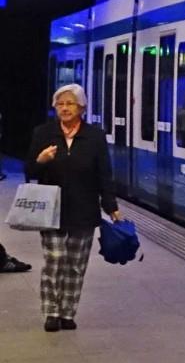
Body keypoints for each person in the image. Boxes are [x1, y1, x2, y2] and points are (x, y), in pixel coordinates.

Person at [28, 84, 120, 331]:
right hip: (51, 208)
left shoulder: (95, 137)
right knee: (54, 260)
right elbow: (29, 170)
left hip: (84, 208)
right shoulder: (43, 133)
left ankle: (68, 312)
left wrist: (110, 206)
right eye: (60, 104)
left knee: (76, 265)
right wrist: (40, 160)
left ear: (81, 107)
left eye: (70, 104)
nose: (65, 108)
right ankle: (51, 311)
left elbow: (104, 174)